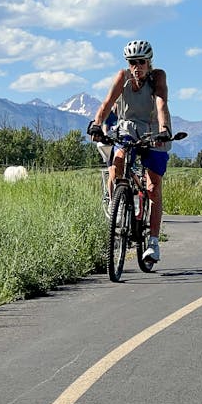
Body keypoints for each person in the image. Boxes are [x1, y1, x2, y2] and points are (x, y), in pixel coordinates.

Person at [88, 39, 173, 263]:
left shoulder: (158, 78)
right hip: (128, 126)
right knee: (118, 160)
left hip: (154, 129)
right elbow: (107, 103)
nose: (137, 67)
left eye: (141, 62)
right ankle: (116, 200)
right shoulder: (122, 77)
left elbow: (161, 104)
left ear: (149, 62)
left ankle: (153, 242)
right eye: (132, 62)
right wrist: (97, 124)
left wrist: (163, 130)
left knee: (153, 186)